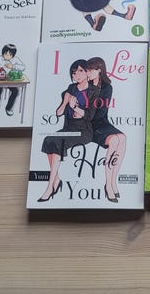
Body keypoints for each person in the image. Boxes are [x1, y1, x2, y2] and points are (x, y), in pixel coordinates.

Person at [38, 59, 100, 203]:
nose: (77, 75)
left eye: (80, 71)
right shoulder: (71, 88)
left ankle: (50, 187)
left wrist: (75, 107)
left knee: (58, 142)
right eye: (74, 72)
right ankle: (56, 180)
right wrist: (66, 102)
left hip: (83, 131)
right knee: (48, 140)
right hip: (69, 128)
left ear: (87, 72)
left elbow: (90, 116)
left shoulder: (94, 91)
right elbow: (58, 113)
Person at [86, 57, 127, 203]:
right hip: (88, 124)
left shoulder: (107, 88)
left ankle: (112, 181)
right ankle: (108, 185)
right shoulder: (84, 85)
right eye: (87, 70)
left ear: (99, 70)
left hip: (102, 122)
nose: (87, 73)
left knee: (123, 138)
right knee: (114, 140)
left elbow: (102, 112)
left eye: (90, 70)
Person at [0, 44, 25, 116]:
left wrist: (13, 66)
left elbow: (23, 67)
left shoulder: (15, 60)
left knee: (16, 91)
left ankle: (9, 108)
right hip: (0, 79)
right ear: (2, 53)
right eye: (5, 54)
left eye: (10, 55)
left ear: (13, 55)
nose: (7, 56)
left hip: (10, 80)